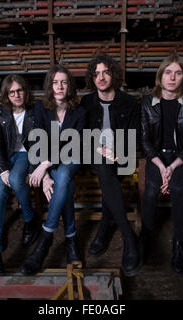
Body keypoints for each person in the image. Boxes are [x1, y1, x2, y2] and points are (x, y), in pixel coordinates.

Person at [20, 65, 87, 275]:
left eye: (64, 82)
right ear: (49, 85)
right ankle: (71, 238)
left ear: (70, 86)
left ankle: (45, 239)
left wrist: (43, 166)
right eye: (55, 82)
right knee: (64, 182)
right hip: (52, 166)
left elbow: (74, 145)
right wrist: (46, 176)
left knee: (66, 173)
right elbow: (36, 143)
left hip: (73, 158)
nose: (59, 86)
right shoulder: (40, 109)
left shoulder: (80, 111)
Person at [139, 54, 183, 274]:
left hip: (180, 157)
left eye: (177, 73)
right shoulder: (148, 102)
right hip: (156, 157)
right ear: (161, 76)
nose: (172, 77)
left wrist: (172, 167)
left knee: (177, 190)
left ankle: (179, 243)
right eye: (168, 72)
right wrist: (160, 165)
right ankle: (145, 238)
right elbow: (144, 140)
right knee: (150, 191)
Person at [79, 53, 141, 277]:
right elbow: (81, 137)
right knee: (105, 168)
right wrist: (100, 149)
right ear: (92, 79)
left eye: (105, 72)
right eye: (96, 74)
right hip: (94, 155)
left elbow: (136, 135)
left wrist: (120, 152)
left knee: (110, 176)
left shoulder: (128, 102)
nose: (101, 77)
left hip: (123, 156)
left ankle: (105, 227)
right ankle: (128, 236)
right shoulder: (86, 103)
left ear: (113, 74)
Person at [0, 75, 38, 276]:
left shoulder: (35, 111)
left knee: (16, 180)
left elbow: (38, 142)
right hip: (6, 158)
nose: (17, 95)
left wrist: (34, 168)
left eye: (20, 90)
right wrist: (3, 168)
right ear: (7, 94)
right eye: (12, 92)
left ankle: (29, 219)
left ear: (26, 91)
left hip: (26, 155)